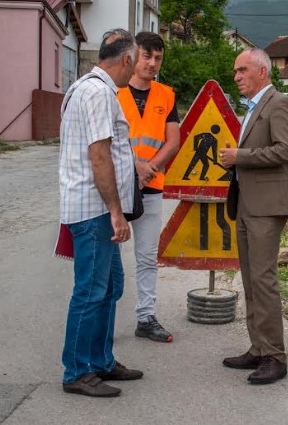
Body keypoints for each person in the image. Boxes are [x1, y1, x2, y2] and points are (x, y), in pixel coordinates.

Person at [59, 28, 144, 398]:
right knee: (92, 290)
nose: (136, 71)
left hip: (100, 210)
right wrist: (115, 211)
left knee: (110, 287)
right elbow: (99, 155)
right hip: (96, 211)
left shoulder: (97, 90)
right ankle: (77, 370)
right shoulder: (96, 92)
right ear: (126, 60)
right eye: (137, 62)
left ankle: (100, 360)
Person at [219, 48, 288, 385]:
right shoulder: (253, 109)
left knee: (263, 281)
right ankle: (258, 347)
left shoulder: (280, 103)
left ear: (262, 72)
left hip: (267, 205)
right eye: (235, 71)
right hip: (249, 204)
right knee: (251, 280)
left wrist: (240, 156)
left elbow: (286, 150)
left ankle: (274, 357)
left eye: (242, 70)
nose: (236, 77)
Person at [117, 32, 179, 343]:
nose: (152, 63)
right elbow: (106, 140)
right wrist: (135, 166)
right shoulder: (113, 91)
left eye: (158, 59)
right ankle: (105, 322)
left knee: (146, 256)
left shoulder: (166, 95)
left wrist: (148, 168)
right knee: (109, 257)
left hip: (151, 187)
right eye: (147, 57)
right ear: (133, 56)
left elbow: (174, 141)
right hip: (114, 187)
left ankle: (146, 317)